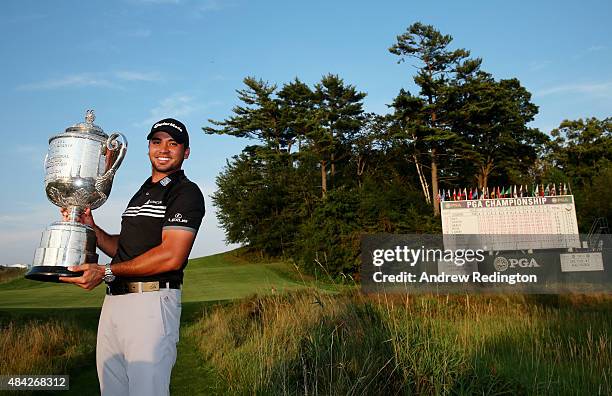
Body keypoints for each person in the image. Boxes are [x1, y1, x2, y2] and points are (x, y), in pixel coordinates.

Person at [60, 118, 205, 396]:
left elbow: (171, 256)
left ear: (185, 152)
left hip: (150, 303)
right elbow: (124, 249)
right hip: (115, 303)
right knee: (111, 390)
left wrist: (106, 272)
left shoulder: (186, 192)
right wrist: (93, 229)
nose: (163, 149)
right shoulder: (142, 192)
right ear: (149, 147)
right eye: (157, 142)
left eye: (173, 143)